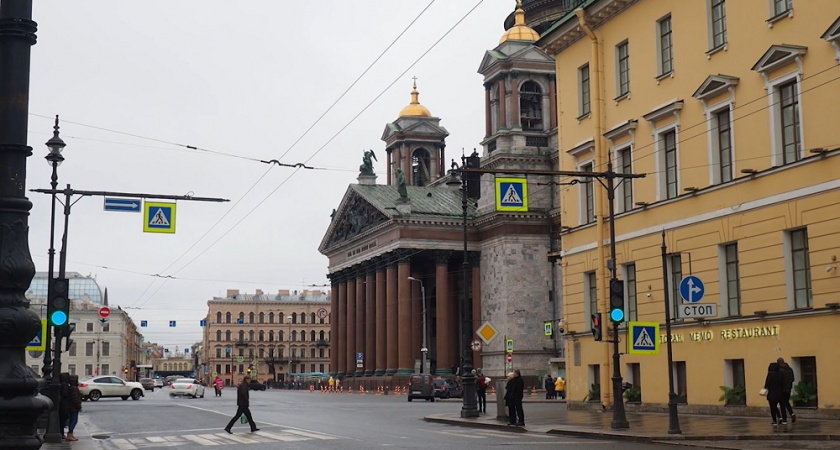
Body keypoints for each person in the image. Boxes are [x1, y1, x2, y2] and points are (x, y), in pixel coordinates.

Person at [777, 357, 796, 423]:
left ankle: (784, 419)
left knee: (782, 404)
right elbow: (793, 379)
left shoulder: (779, 370)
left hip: (782, 389)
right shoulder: (790, 369)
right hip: (789, 388)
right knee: (786, 402)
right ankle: (792, 414)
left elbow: (779, 380)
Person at [65, 374, 83, 442]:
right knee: (74, 421)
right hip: (73, 407)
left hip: (70, 407)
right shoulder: (74, 388)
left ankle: (70, 434)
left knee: (71, 421)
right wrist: (79, 406)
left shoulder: (70, 387)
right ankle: (70, 434)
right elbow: (75, 399)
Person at [58, 372, 71, 440]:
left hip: (62, 403)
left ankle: (61, 432)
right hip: (64, 404)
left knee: (62, 419)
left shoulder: (61, 384)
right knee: (63, 419)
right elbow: (65, 393)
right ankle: (62, 433)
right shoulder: (65, 385)